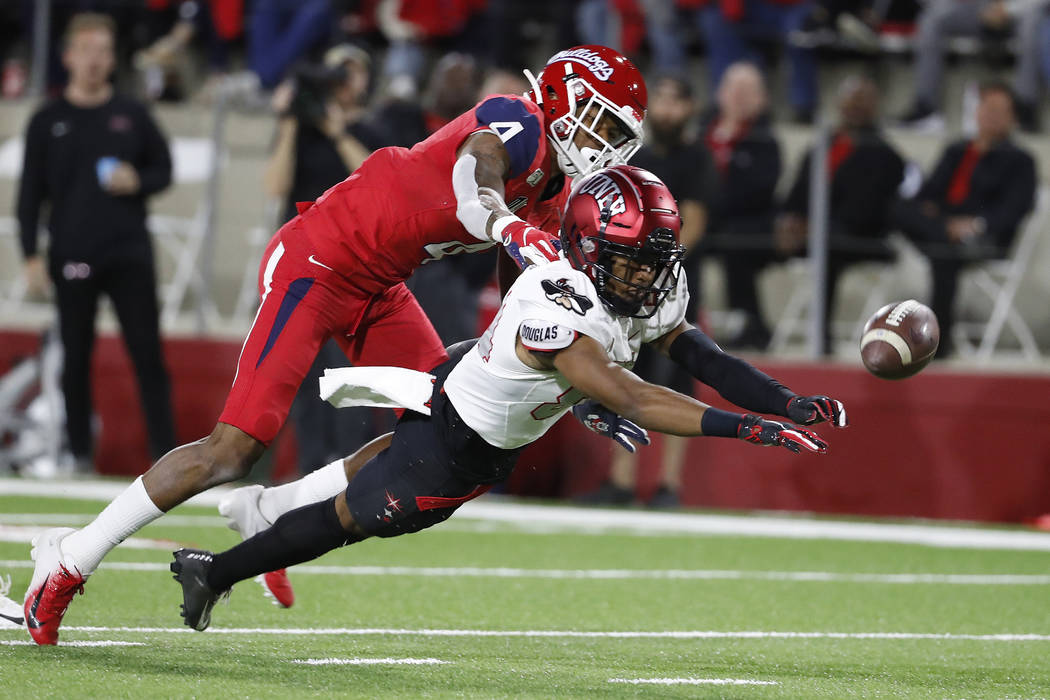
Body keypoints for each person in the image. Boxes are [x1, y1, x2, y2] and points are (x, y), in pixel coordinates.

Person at [22, 44, 650, 646]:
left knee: (440, 422)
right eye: (601, 126)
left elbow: (528, 301)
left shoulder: (555, 197)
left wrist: (577, 387)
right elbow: (473, 171)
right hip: (318, 261)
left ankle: (273, 509)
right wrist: (504, 222)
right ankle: (70, 556)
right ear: (566, 102)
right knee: (231, 450)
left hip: (379, 284)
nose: (604, 147)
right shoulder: (520, 120)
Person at [170, 165, 848, 630]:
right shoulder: (561, 297)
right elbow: (634, 396)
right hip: (459, 444)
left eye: (652, 258)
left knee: (374, 456)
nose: (645, 276)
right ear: (585, 249)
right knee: (351, 517)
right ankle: (216, 571)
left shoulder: (627, 283)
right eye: (629, 259)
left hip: (464, 376)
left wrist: (784, 402)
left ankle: (254, 510)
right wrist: (750, 431)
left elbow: (697, 353)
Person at [15, 13, 177, 476]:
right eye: (86, 49)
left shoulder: (131, 114)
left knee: (147, 354)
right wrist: (30, 255)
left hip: (128, 253)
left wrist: (137, 180)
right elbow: (29, 194)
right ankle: (78, 453)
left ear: (112, 59)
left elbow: (164, 169)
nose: (94, 60)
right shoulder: (49, 119)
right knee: (75, 355)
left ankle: (166, 459)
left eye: (103, 50)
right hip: (72, 253)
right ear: (67, 56)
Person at [577, 75, 717, 507]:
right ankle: (622, 480)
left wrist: (657, 266)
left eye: (676, 100)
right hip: (628, 285)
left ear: (691, 108)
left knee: (677, 381)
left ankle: (668, 485)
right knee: (624, 373)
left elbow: (693, 221)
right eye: (663, 101)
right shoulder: (640, 154)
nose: (667, 110)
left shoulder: (697, 158)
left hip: (674, 289)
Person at [264, 44, 392, 477]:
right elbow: (274, 184)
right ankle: (307, 466)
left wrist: (338, 132)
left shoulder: (373, 129)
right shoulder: (300, 131)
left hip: (353, 268)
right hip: (302, 263)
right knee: (300, 373)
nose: (343, 82)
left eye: (352, 72)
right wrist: (288, 123)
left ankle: (350, 467)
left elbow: (375, 185)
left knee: (348, 372)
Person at [892, 81, 1037, 356]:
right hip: (942, 231)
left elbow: (1014, 209)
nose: (990, 115)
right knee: (899, 208)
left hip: (985, 238)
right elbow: (930, 193)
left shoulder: (1019, 160)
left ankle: (936, 346)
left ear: (1013, 118)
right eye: (986, 107)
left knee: (943, 252)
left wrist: (975, 224)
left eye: (998, 110)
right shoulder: (957, 150)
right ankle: (935, 341)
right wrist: (935, 216)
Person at [775, 75, 905, 351]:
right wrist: (789, 221)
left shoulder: (885, 155)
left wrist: (812, 229)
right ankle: (751, 323)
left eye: (863, 101)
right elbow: (795, 195)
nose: (855, 107)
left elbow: (866, 212)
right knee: (748, 235)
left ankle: (821, 337)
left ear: (875, 107)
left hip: (862, 238)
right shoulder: (821, 147)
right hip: (814, 233)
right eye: (851, 100)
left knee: (827, 248)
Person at [700, 63, 782, 350]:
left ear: (761, 98)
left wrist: (712, 203)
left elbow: (759, 191)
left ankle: (752, 324)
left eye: (747, 91)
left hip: (749, 223)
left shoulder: (765, 140)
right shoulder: (703, 130)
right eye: (733, 89)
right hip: (703, 218)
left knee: (737, 243)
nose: (738, 97)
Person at [897, 0, 1050, 132]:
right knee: (932, 19)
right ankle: (926, 107)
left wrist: (1009, 9)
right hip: (981, 10)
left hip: (1023, 12)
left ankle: (1024, 108)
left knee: (1034, 25)